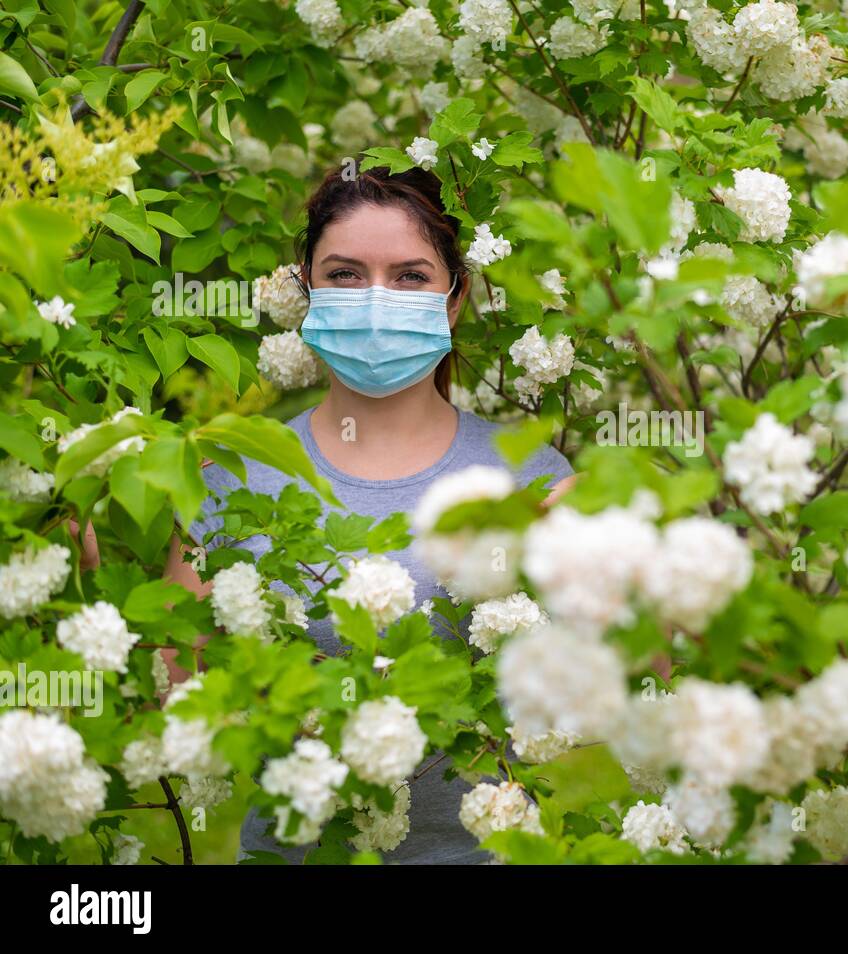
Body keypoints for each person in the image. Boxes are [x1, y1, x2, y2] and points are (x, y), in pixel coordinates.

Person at [161, 165, 577, 864]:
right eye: (347, 274)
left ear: (453, 298)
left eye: (410, 276)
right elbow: (170, 701)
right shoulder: (235, 477)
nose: (376, 299)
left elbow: (617, 690)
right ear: (307, 287)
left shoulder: (529, 475)